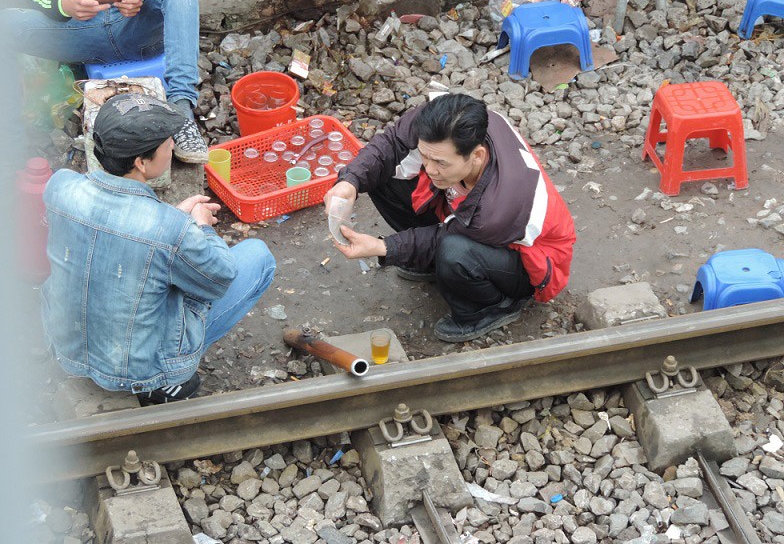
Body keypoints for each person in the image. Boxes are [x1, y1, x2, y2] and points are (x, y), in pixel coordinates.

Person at [42, 94, 276, 403]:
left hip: (67, 351)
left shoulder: (60, 187)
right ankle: (159, 385)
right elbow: (220, 277)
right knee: (258, 256)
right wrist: (200, 227)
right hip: (137, 371)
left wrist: (175, 220)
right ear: (141, 162)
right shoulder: (171, 230)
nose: (173, 149)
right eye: (168, 146)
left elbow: (117, 233)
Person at [324, 94, 576, 343]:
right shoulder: (444, 119)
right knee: (381, 170)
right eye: (425, 156)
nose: (430, 169)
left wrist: (382, 247)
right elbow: (391, 142)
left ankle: (492, 307)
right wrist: (350, 182)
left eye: (440, 162)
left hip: (529, 262)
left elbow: (442, 238)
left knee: (454, 251)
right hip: (465, 219)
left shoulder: (501, 206)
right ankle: (435, 267)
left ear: (477, 156)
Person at [1, 0, 203, 159]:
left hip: (137, 25)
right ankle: (10, 148)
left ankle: (182, 110)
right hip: (79, 31)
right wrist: (65, 3)